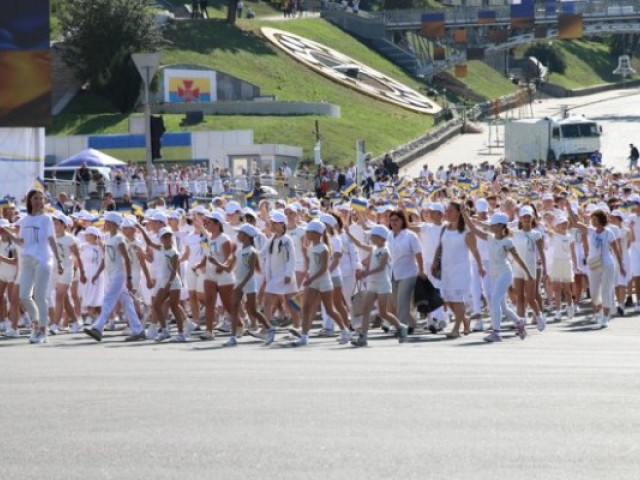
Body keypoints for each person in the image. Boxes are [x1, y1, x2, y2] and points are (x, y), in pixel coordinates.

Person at [0, 190, 62, 344]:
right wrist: (6, 231)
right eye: (36, 198)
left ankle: (43, 330)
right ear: (30, 200)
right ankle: (37, 322)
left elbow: (51, 239)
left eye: (41, 198)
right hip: (27, 260)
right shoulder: (25, 221)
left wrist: (59, 260)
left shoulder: (46, 219)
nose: (39, 201)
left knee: (40, 296)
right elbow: (21, 242)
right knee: (24, 296)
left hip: (43, 260)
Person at [463, 210, 530, 342]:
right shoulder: (489, 237)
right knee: (503, 306)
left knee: (494, 300)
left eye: (493, 224)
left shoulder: (507, 242)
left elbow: (518, 258)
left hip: (505, 273)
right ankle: (519, 323)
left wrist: (527, 274)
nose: (490, 226)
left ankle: (496, 332)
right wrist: (463, 212)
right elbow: (472, 228)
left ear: (500, 226)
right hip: (494, 275)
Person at [83, 212, 147, 342]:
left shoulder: (119, 239)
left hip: (119, 275)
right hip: (112, 275)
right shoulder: (109, 239)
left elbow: (127, 259)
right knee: (127, 302)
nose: (104, 224)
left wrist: (128, 278)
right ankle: (138, 330)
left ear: (112, 223)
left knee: (107, 299)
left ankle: (98, 328)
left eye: (106, 222)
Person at [348, 225, 406, 346]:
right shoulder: (374, 249)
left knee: (383, 313)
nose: (371, 238)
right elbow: (359, 244)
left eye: (373, 236)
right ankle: (363, 337)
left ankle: (400, 327)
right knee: (365, 309)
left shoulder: (385, 251)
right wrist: (347, 233)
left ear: (380, 237)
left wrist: (367, 272)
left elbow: (381, 267)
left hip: (383, 284)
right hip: (372, 284)